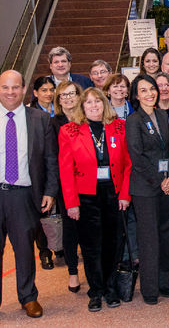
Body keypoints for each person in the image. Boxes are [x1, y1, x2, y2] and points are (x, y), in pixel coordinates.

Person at [58, 87, 132, 312]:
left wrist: (125, 195)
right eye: (88, 102)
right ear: (82, 106)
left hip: (114, 193)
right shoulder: (68, 130)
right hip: (85, 196)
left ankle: (110, 289)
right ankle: (96, 291)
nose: (93, 106)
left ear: (104, 103)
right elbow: (65, 170)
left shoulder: (119, 127)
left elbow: (128, 164)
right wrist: (71, 203)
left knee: (113, 244)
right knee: (91, 247)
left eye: (97, 101)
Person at [0, 70, 58, 319]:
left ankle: (28, 297)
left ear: (24, 89)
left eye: (15, 87)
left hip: (23, 196)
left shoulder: (39, 119)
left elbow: (50, 160)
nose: (10, 92)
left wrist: (50, 191)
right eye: (5, 87)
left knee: (24, 250)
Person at [126, 75, 169, 305]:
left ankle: (165, 283)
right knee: (149, 238)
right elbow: (137, 157)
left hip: (166, 184)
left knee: (166, 233)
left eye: (152, 89)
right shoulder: (133, 120)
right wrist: (160, 180)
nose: (150, 93)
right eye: (143, 90)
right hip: (145, 187)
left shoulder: (163, 115)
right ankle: (149, 288)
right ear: (136, 95)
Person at [52, 81, 84, 293]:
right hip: (66, 184)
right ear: (58, 99)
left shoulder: (88, 119)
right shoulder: (54, 123)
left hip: (89, 182)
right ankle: (73, 272)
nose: (68, 98)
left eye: (72, 94)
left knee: (89, 229)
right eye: (63, 95)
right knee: (71, 230)